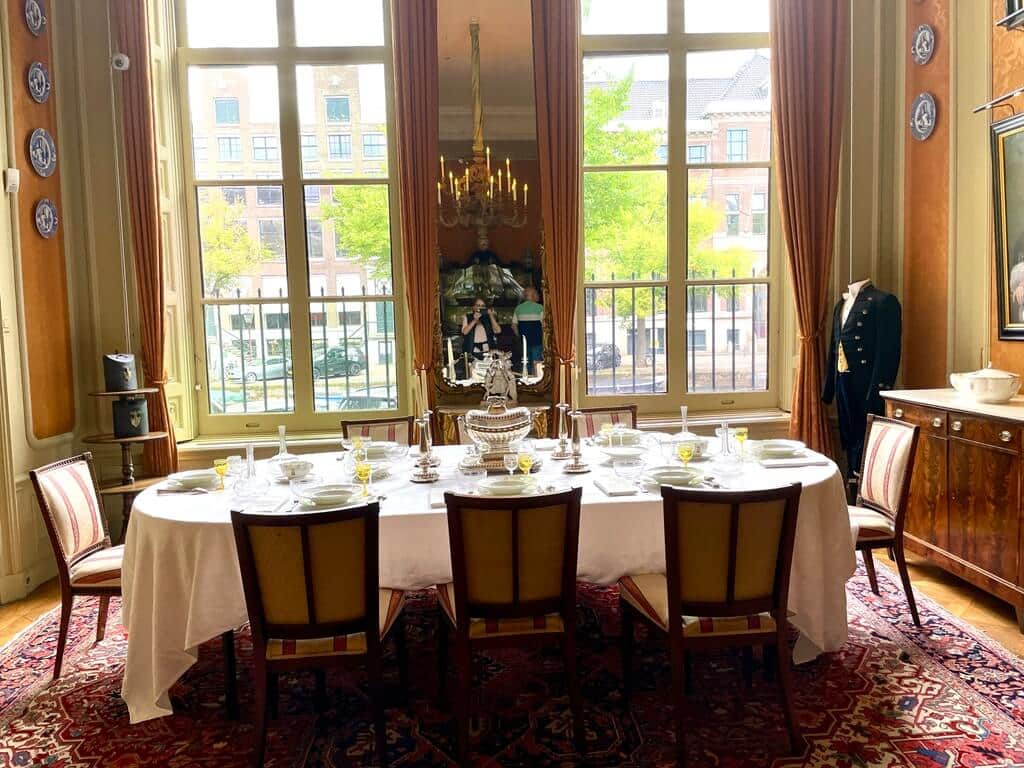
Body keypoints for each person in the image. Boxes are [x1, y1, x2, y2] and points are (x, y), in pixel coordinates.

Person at [512, 287, 544, 371]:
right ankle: (537, 381)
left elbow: (514, 326)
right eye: (536, 294)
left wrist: (519, 336)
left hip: (523, 342)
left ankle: (526, 382)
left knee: (525, 363)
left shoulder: (518, 309)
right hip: (537, 341)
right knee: (536, 363)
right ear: (533, 295)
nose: (538, 296)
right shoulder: (540, 308)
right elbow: (545, 325)